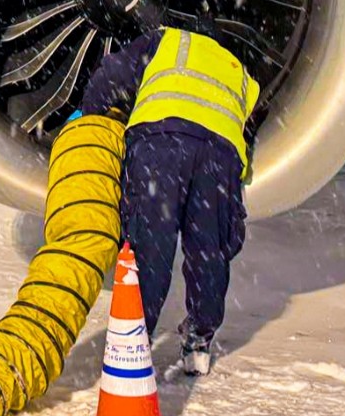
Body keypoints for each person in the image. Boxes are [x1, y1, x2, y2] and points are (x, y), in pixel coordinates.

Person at [77, 19, 260, 376]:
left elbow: (113, 75)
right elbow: (248, 134)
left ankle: (135, 339)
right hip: (220, 156)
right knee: (209, 251)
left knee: (150, 245)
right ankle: (199, 339)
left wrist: (90, 114)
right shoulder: (241, 74)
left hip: (162, 140)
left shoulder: (169, 40)